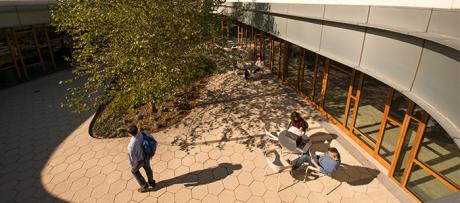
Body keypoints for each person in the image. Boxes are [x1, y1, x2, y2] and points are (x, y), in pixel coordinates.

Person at [127, 125, 155, 193]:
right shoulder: (142, 134)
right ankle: (151, 182)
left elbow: (131, 157)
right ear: (137, 129)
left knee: (134, 171)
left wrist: (132, 166)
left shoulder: (131, 146)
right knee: (148, 168)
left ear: (130, 134)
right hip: (146, 156)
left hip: (139, 160)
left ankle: (144, 186)